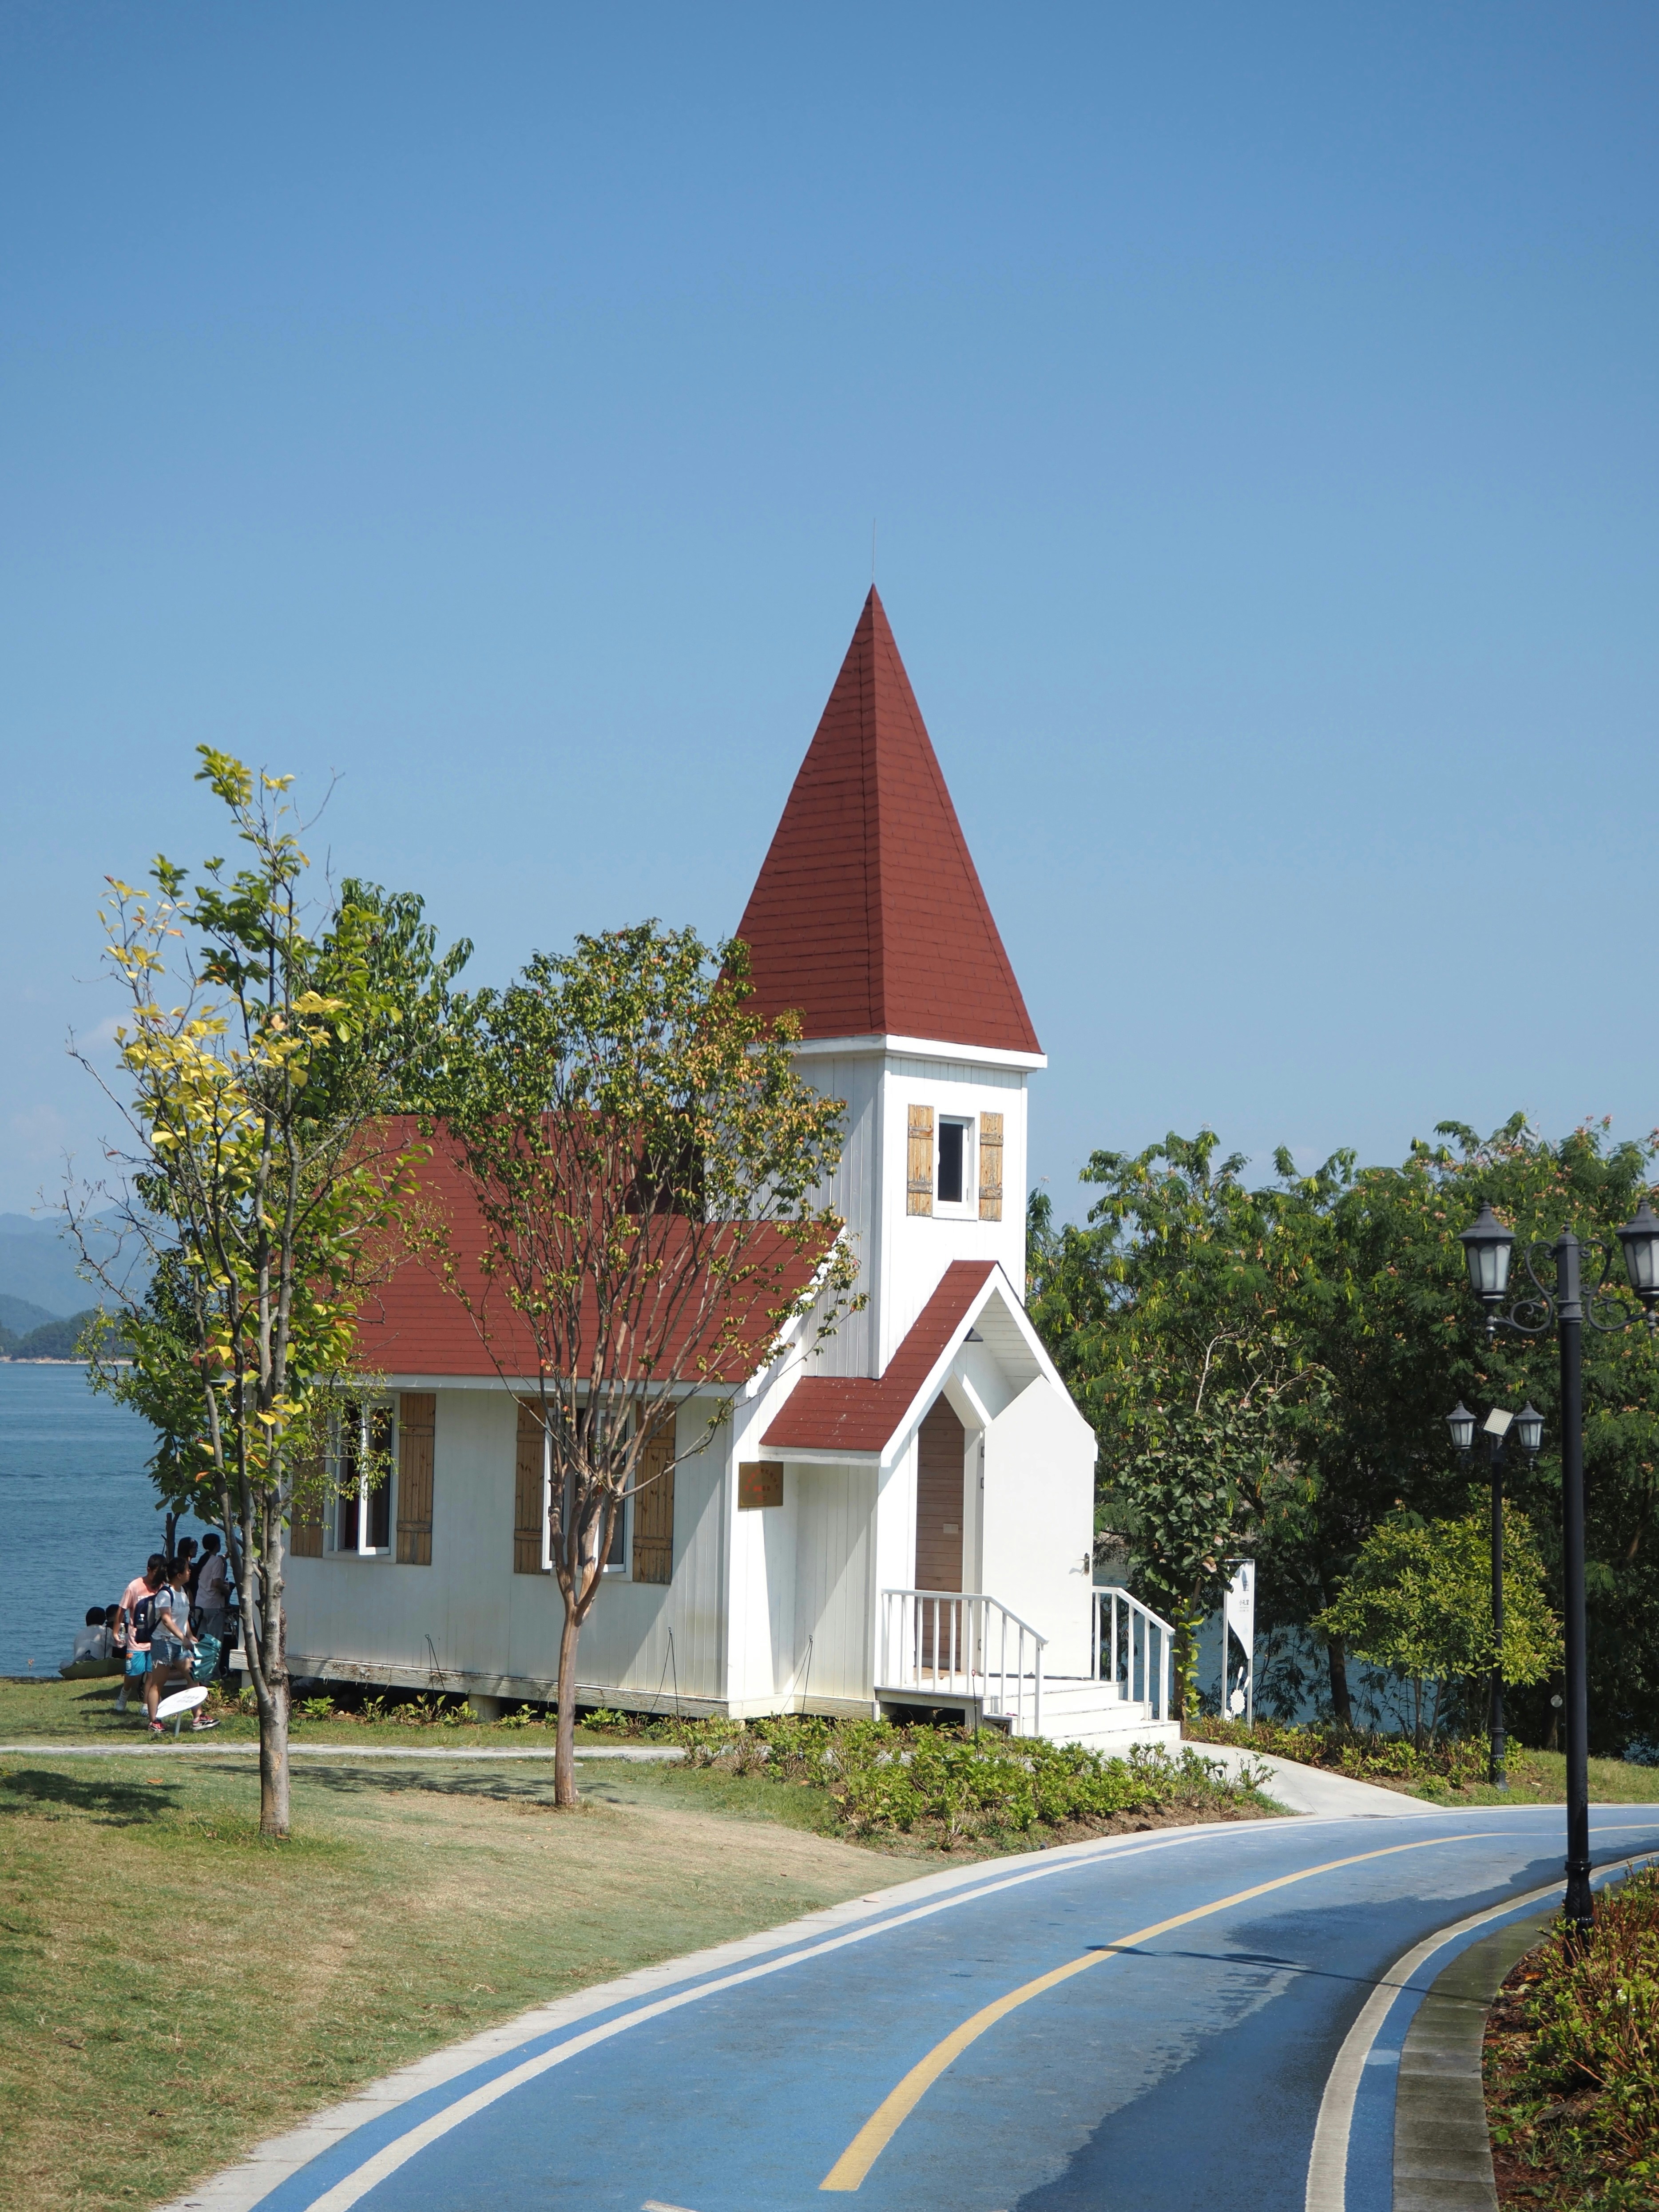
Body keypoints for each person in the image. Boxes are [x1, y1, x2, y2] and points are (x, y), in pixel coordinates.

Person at [144, 1561, 216, 1734]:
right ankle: (154, 1721)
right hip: (163, 1643)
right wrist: (183, 1638)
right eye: (187, 1570)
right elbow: (166, 1620)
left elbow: (184, 1619)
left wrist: (190, 1636)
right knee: (158, 1683)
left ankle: (198, 1717)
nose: (190, 1572)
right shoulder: (165, 1594)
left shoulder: (183, 1592)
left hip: (180, 1644)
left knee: (193, 1676)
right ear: (179, 1575)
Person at [114, 1554, 167, 1716]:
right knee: (134, 1673)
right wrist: (116, 1632)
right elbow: (122, 1610)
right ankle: (125, 1693)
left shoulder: (163, 1588)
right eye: (156, 1573)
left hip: (156, 1638)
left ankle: (146, 1705)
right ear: (149, 1570)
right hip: (136, 1639)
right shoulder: (135, 1586)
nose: (158, 1577)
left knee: (152, 1673)